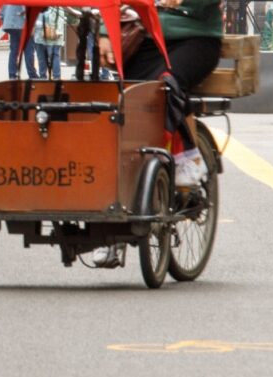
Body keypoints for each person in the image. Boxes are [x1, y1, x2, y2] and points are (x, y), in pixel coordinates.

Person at [91, 0, 222, 267]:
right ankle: (114, 225)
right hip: (147, 38)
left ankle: (188, 161)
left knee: (166, 86)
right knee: (121, 100)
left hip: (195, 40)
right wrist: (105, 31)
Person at [1, 4, 39, 79]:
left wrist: (5, 20)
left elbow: (1, 12)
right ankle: (32, 74)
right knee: (29, 50)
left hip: (9, 24)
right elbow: (25, 8)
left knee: (14, 51)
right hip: (21, 23)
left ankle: (12, 74)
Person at [33, 6, 66, 80]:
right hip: (55, 37)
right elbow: (60, 23)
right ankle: (56, 78)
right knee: (55, 56)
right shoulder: (59, 8)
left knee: (42, 58)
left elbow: (37, 23)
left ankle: (43, 78)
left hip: (41, 37)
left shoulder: (38, 7)